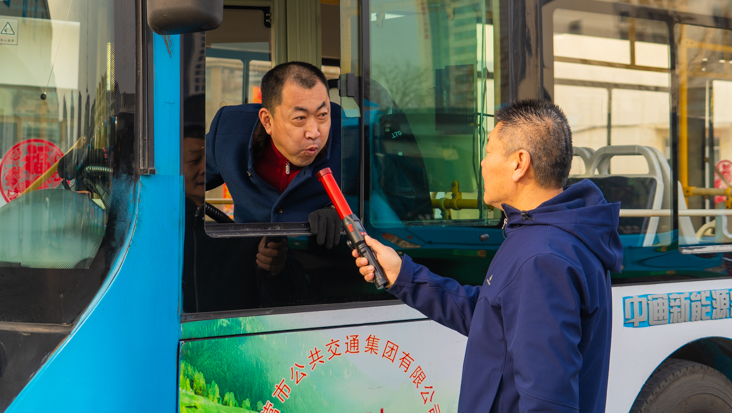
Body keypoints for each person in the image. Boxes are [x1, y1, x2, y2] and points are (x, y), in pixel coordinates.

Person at [353, 99, 624, 412]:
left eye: (489, 150)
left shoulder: (543, 258)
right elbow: (493, 321)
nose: (481, 163)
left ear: (519, 163)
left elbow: (547, 401)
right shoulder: (546, 235)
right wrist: (403, 275)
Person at [206, 61, 342, 247]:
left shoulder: (348, 136)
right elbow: (183, 183)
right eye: (300, 118)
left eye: (322, 115)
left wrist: (337, 210)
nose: (314, 133)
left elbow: (377, 201)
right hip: (247, 256)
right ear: (267, 121)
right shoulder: (228, 133)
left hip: (319, 258)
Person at [182, 117, 305, 312]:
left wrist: (276, 268)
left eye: (211, 161)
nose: (205, 169)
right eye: (194, 161)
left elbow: (295, 296)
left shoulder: (250, 226)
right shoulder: (158, 230)